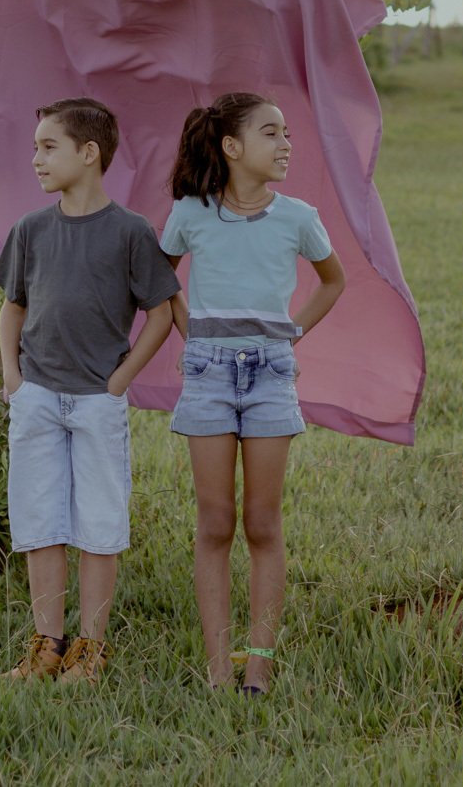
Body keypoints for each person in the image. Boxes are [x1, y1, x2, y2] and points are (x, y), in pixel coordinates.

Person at [160, 92, 346, 695]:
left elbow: (333, 280)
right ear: (231, 147)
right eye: (272, 133)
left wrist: (292, 333)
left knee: (263, 524)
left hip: (270, 376)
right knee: (215, 522)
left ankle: (258, 667)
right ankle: (219, 670)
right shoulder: (191, 213)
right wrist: (193, 335)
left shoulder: (298, 217)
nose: (286, 144)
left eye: (287, 133)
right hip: (209, 376)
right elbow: (160, 278)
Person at [0, 96, 179, 685]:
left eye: (49, 147)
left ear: (89, 153)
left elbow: (160, 313)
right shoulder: (31, 229)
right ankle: (47, 643)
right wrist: (13, 376)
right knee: (39, 518)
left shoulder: (130, 232)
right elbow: (12, 306)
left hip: (98, 401)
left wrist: (120, 380)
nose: (36, 159)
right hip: (37, 397)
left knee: (99, 522)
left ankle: (91, 649)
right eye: (35, 148)